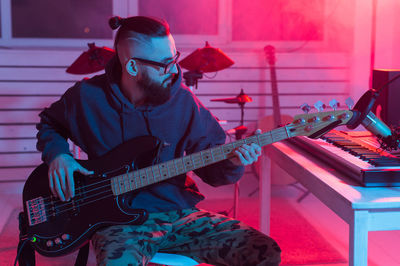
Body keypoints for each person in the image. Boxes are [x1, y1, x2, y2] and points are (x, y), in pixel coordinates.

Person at [36, 16, 281, 266]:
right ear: (132, 67)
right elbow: (49, 122)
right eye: (165, 64)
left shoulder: (184, 101)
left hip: (178, 214)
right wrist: (58, 155)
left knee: (264, 250)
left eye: (175, 58)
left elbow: (213, 170)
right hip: (117, 222)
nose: (175, 70)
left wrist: (234, 161)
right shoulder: (87, 97)